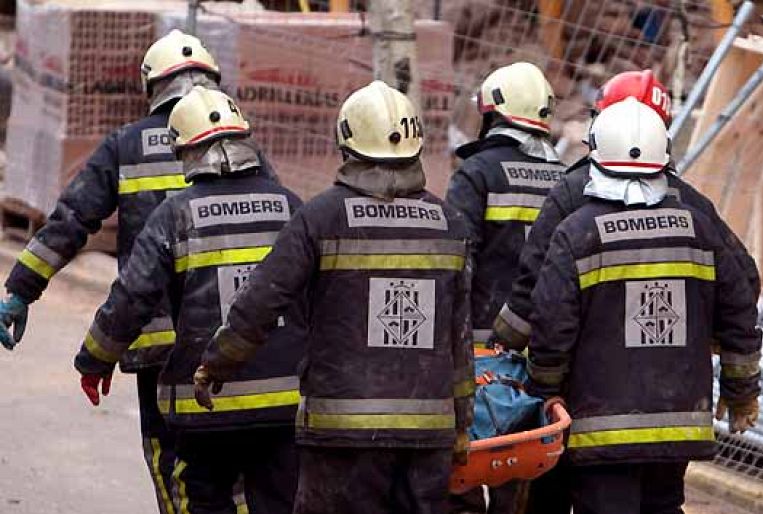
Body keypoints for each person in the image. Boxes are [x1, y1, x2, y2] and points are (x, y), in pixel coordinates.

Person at [193, 80, 475, 514]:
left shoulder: (321, 217)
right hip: (427, 436)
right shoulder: (450, 224)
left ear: (346, 144)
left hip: (341, 434)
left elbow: (262, 299)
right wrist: (462, 424)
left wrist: (218, 363)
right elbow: (460, 337)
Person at [0, 29, 240, 514]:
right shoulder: (239, 145)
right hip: (230, 336)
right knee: (231, 470)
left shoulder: (125, 145)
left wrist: (20, 291)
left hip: (157, 342)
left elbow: (71, 220)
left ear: (153, 86)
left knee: (170, 460)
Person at [73, 87, 304, 513]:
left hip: (205, 404)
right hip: (284, 403)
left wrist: (95, 359)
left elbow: (133, 296)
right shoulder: (290, 206)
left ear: (187, 152)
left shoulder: (176, 214)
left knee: (202, 500)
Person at [525, 97, 761, 514]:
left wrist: (545, 392)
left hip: (600, 428)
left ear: (596, 154)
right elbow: (740, 308)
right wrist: (741, 392)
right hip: (678, 421)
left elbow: (550, 324)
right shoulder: (699, 227)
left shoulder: (577, 233)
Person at [444, 61, 564, 514]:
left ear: (491, 113)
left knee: (465, 468)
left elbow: (455, 263)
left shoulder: (477, 174)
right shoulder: (567, 179)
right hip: (546, 354)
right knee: (522, 469)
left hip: (480, 351)